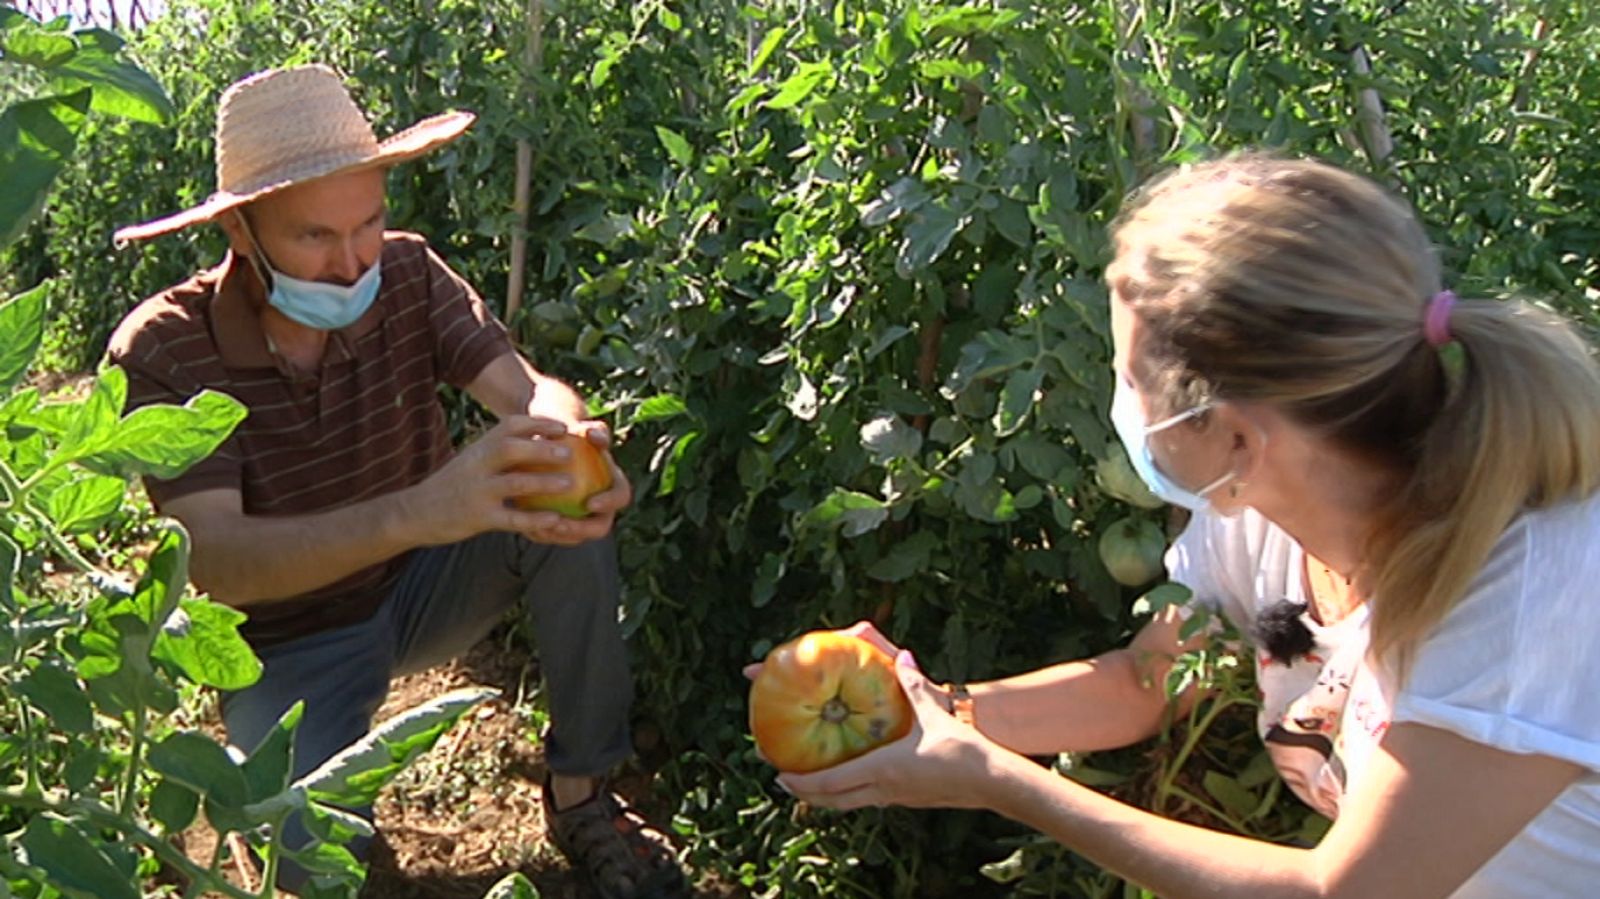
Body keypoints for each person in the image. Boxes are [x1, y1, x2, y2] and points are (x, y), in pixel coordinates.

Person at [775, 155, 1600, 897]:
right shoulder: (1260, 513)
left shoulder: (1535, 587)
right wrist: (931, 710)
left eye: (1130, 378)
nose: (1121, 405)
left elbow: (1341, 892)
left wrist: (997, 780)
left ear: (1237, 436)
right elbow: (1146, 682)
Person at [108, 65, 686, 899]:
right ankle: (272, 792)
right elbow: (221, 563)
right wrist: (421, 510)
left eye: (369, 221)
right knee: (303, 856)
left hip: (416, 587)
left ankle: (581, 792)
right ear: (241, 230)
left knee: (559, 511)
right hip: (284, 643)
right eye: (314, 236)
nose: (352, 262)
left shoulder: (408, 275)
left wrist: (569, 441)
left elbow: (525, 388)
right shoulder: (166, 350)